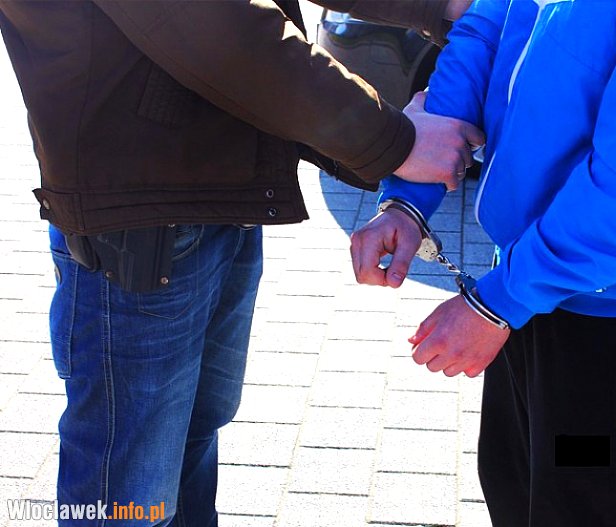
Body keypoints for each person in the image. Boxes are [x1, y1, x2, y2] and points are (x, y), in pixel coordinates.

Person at [0, 1, 480, 525]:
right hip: (141, 227)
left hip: (204, 200)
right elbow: (214, 22)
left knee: (187, 441)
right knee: (127, 497)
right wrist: (395, 142)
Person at [350, 0, 616, 525]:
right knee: (517, 496)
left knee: (589, 509)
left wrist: (499, 302)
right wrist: (412, 195)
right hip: (528, 302)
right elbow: (487, 28)